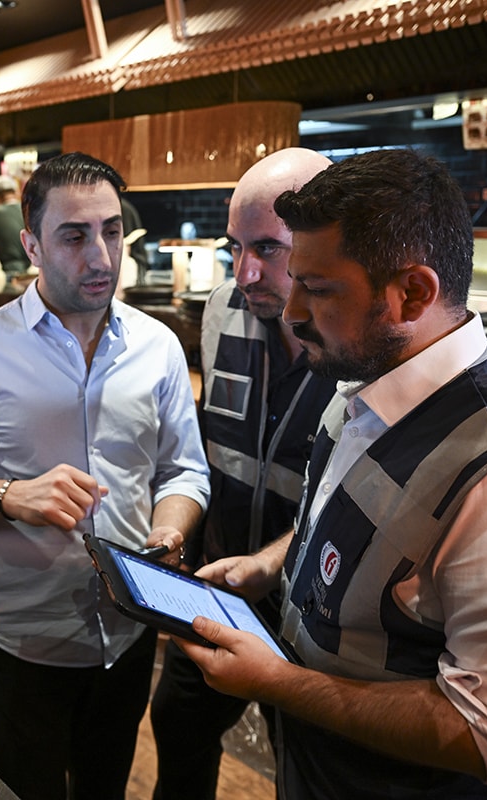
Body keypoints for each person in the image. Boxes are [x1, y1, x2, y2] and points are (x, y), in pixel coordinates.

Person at [177, 148, 487, 799]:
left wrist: (278, 683)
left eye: (319, 289)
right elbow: (352, 519)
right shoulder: (365, 374)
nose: (294, 312)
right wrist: (271, 565)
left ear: (413, 293)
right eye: (296, 280)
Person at [0, 152, 210, 800]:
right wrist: (11, 496)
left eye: (111, 231)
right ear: (31, 246)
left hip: (128, 634)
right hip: (24, 640)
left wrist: (169, 532)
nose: (100, 256)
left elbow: (183, 470)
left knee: (106, 788)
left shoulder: (158, 346)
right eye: (74, 236)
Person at [149, 147, 335, 800]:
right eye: (235, 246)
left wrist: (272, 562)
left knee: (300, 769)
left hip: (309, 614)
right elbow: (209, 447)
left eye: (268, 248)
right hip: (217, 586)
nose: (244, 271)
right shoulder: (224, 307)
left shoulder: (360, 336)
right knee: (178, 727)